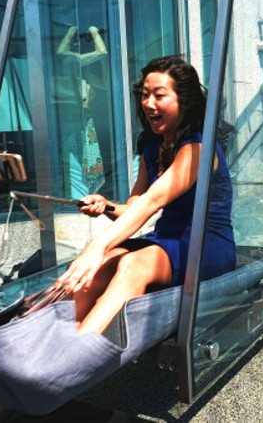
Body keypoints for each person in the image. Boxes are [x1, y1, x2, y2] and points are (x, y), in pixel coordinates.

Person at [56, 55, 236, 334]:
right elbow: (135, 207)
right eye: (144, 95)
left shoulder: (199, 149)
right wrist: (106, 206)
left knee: (133, 263)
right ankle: (59, 336)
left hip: (206, 245)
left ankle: (80, 350)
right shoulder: (152, 147)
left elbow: (153, 201)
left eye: (159, 95)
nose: (149, 103)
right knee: (106, 260)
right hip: (166, 239)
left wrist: (95, 246)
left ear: (184, 101)